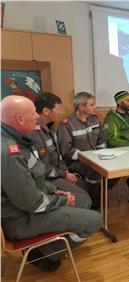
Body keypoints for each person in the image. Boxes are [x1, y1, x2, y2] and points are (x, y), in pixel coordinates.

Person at [1, 95, 102, 272]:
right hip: (20, 218)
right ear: (19, 119)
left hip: (28, 205)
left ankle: (48, 245)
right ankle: (44, 254)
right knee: (95, 220)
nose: (36, 117)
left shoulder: (18, 140)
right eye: (33, 114)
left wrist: (55, 191)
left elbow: (35, 176)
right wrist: (62, 200)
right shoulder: (10, 152)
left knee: (84, 201)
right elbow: (31, 202)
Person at [57, 92, 117, 208]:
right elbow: (66, 150)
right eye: (92, 104)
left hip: (96, 158)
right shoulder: (67, 124)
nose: (95, 107)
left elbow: (101, 140)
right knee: (93, 169)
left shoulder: (95, 120)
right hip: (76, 161)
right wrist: (89, 158)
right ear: (81, 107)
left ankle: (99, 191)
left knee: (114, 166)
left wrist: (102, 154)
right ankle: (92, 198)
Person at [32, 92, 89, 196]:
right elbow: (44, 168)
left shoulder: (51, 127)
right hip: (48, 179)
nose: (61, 112)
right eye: (58, 109)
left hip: (58, 173)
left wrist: (66, 172)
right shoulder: (36, 133)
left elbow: (59, 157)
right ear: (46, 111)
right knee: (82, 195)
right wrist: (64, 175)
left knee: (84, 185)